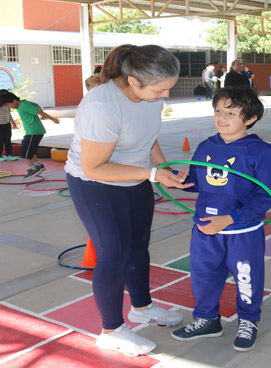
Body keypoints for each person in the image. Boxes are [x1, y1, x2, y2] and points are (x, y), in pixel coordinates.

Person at [64, 44, 190, 357]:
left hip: (137, 178)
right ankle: (111, 330)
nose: (165, 96)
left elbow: (148, 135)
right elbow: (95, 166)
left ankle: (142, 307)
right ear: (133, 81)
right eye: (161, 90)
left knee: (138, 246)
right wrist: (151, 174)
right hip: (95, 183)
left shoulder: (149, 96)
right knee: (113, 254)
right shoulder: (102, 106)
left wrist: (161, 166)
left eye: (168, 89)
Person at [170, 86, 271, 352]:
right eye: (218, 110)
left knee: (246, 278)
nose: (222, 117)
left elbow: (266, 198)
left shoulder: (259, 152)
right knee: (203, 276)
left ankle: (248, 320)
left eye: (231, 112)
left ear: (250, 119)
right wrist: (182, 180)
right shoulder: (207, 145)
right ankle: (207, 319)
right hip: (205, 229)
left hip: (242, 232)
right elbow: (200, 182)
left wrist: (230, 219)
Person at [0, 90, 60, 178]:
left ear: (14, 100)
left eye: (8, 105)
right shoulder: (24, 103)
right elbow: (36, 106)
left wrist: (53, 119)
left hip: (33, 131)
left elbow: (38, 111)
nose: (9, 107)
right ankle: (38, 165)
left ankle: (33, 168)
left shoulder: (23, 106)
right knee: (30, 150)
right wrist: (42, 115)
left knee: (24, 152)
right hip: (34, 131)